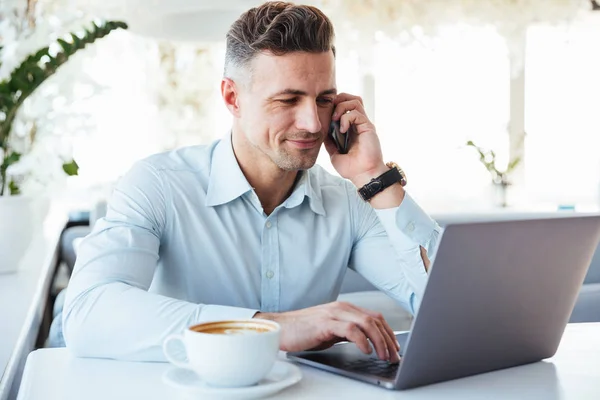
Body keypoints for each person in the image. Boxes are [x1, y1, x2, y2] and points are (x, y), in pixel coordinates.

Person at [62, 1, 441, 364]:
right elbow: (87, 312)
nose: (312, 123)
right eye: (288, 100)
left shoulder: (349, 201)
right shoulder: (159, 184)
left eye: (324, 99)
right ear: (232, 97)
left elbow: (448, 305)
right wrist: (268, 327)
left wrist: (374, 175)